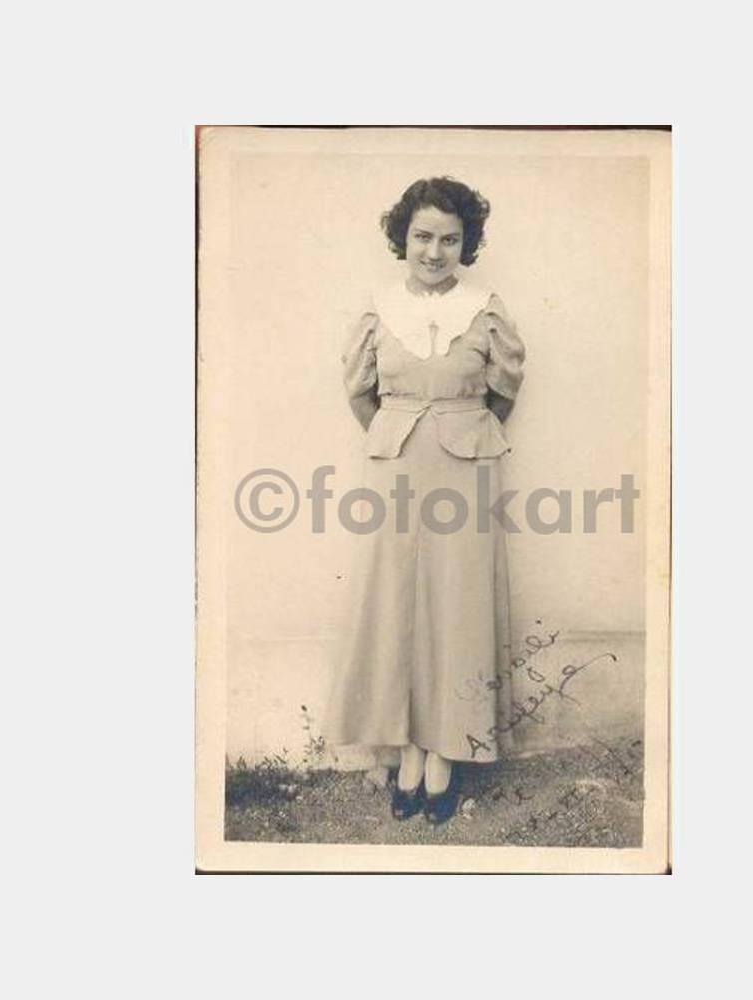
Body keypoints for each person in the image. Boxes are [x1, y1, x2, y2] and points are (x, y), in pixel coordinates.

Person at [322, 177, 525, 825]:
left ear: (467, 244)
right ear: (402, 239)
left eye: (450, 240)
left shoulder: (485, 309)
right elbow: (361, 394)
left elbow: (503, 393)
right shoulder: (378, 310)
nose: (434, 252)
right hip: (398, 473)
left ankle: (446, 753)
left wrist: (458, 433)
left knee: (458, 608)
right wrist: (404, 437)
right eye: (422, 237)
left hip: (466, 472)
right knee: (398, 607)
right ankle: (407, 750)